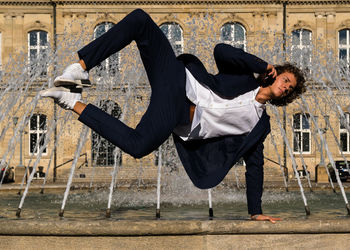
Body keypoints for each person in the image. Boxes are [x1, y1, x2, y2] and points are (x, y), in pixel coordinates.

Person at [40, 9, 306, 223]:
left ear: (286, 96)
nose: (285, 86)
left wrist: (255, 211)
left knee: (138, 145)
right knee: (140, 20)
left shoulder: (260, 124)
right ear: (276, 74)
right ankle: (78, 68)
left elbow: (255, 167)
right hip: (179, 79)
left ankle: (70, 101)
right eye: (285, 79)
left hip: (178, 114)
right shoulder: (245, 78)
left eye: (290, 88)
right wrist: (261, 65)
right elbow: (221, 51)